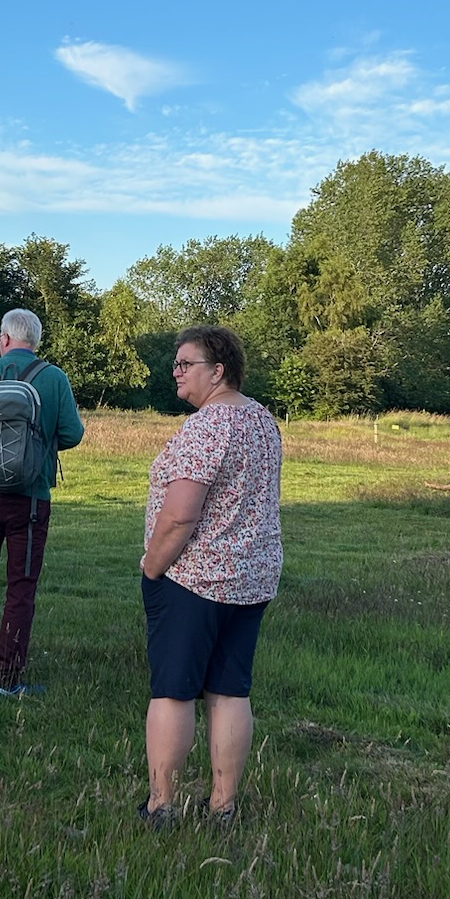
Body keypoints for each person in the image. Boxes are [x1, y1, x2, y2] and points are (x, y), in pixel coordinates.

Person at [139, 326, 282, 825]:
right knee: (230, 690)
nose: (176, 372)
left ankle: (161, 805)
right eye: (176, 364)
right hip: (252, 577)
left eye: (186, 364)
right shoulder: (262, 419)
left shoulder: (207, 426)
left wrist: (152, 566)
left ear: (217, 371)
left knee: (173, 690)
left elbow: (180, 515)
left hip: (194, 579)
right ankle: (223, 805)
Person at [0, 309, 86, 697]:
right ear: (36, 341)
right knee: (21, 587)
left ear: (4, 338)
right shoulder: (53, 377)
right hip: (30, 497)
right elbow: (72, 433)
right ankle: (8, 677)